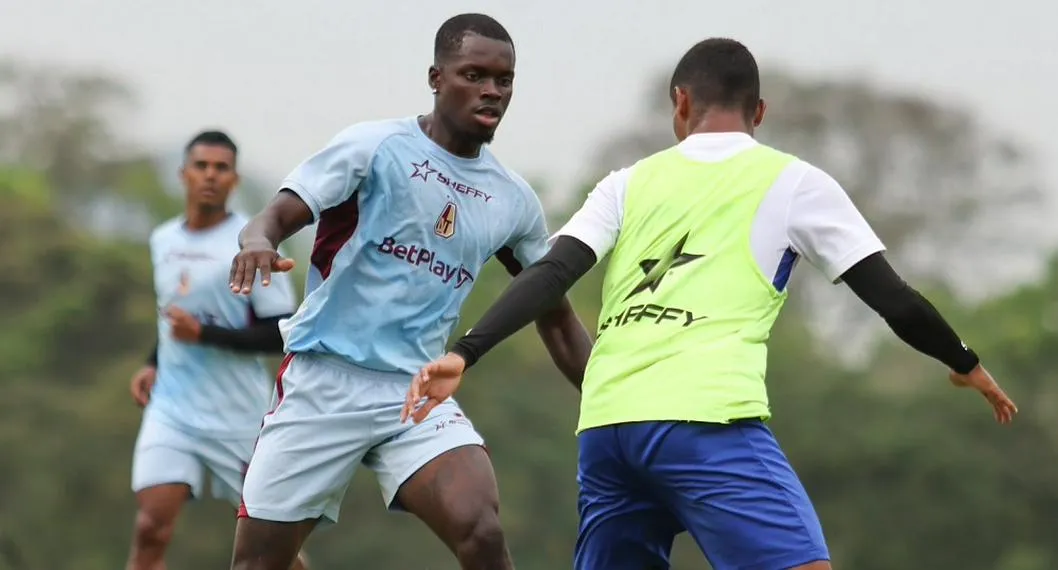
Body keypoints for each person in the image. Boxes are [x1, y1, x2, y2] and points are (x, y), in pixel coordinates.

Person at [403, 38, 1019, 570]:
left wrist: (465, 352)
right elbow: (896, 302)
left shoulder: (626, 182)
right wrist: (964, 361)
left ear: (681, 102)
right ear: (760, 112)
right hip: (704, 423)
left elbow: (551, 273)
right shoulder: (794, 182)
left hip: (608, 430)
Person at [225, 13, 593, 570]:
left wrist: (610, 396)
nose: (492, 91)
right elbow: (277, 215)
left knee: (482, 530)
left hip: (415, 393)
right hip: (324, 380)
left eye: (504, 79)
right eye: (474, 74)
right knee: (259, 564)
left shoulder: (512, 200)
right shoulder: (373, 148)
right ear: (436, 77)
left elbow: (554, 311)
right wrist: (256, 240)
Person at [126, 130, 308, 570]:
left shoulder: (251, 244)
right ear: (183, 174)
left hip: (237, 418)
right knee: (151, 527)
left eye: (221, 168)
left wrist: (204, 336)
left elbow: (278, 333)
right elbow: (173, 313)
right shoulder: (163, 239)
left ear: (234, 179)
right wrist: (153, 362)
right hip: (172, 409)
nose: (210, 175)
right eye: (201, 166)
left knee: (271, 551)